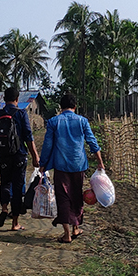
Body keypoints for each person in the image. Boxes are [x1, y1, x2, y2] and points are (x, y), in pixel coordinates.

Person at [39, 93, 104, 243]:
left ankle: (67, 233)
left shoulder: (54, 122)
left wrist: (43, 163)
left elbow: (48, 145)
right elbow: (92, 141)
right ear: (75, 106)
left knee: (63, 197)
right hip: (78, 165)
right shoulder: (82, 121)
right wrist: (100, 161)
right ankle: (76, 227)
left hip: (61, 165)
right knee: (76, 195)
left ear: (60, 108)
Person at [0, 87, 40, 230]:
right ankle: (15, 223)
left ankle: (4, 208)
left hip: (4, 156)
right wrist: (35, 156)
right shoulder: (21, 114)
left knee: (5, 183)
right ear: (17, 99)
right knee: (18, 187)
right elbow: (28, 137)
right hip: (19, 156)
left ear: (3, 99)